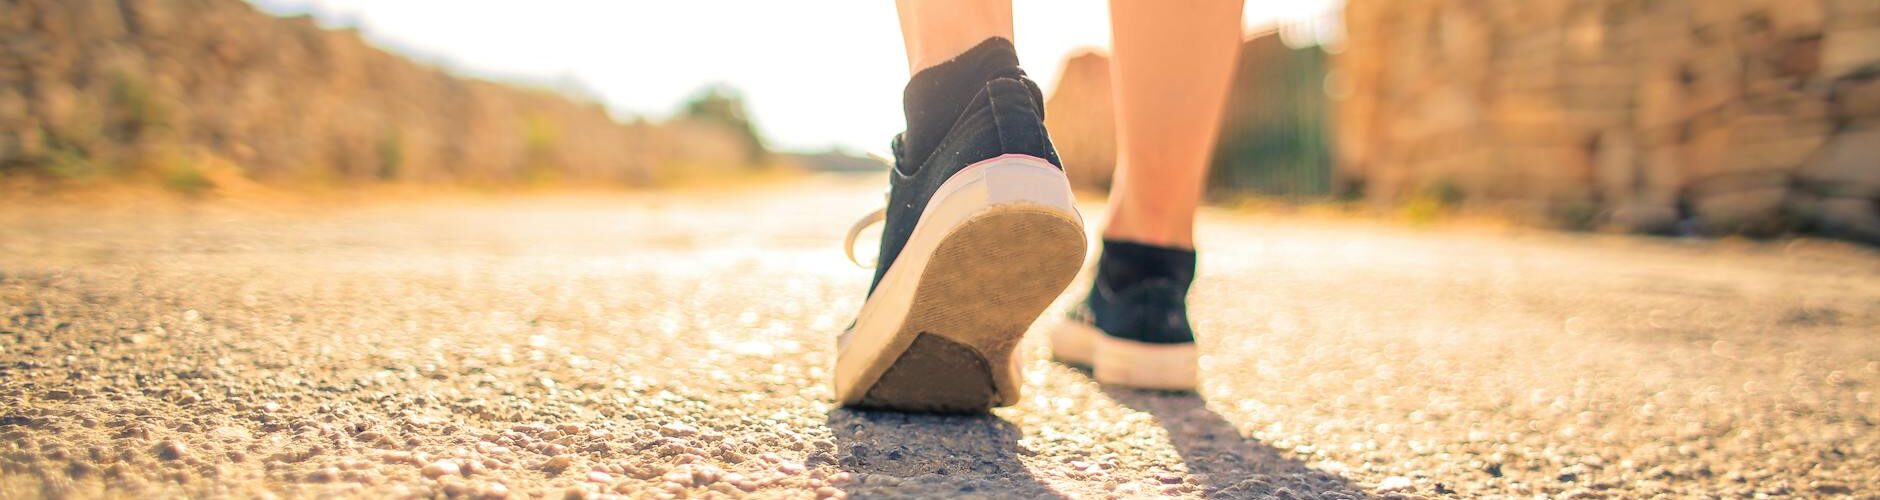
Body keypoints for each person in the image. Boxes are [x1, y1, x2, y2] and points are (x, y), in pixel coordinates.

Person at [837, 0, 1245, 412]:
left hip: (965, 132)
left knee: (964, 66)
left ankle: (961, 97)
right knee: (1147, 250)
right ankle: (1147, 266)